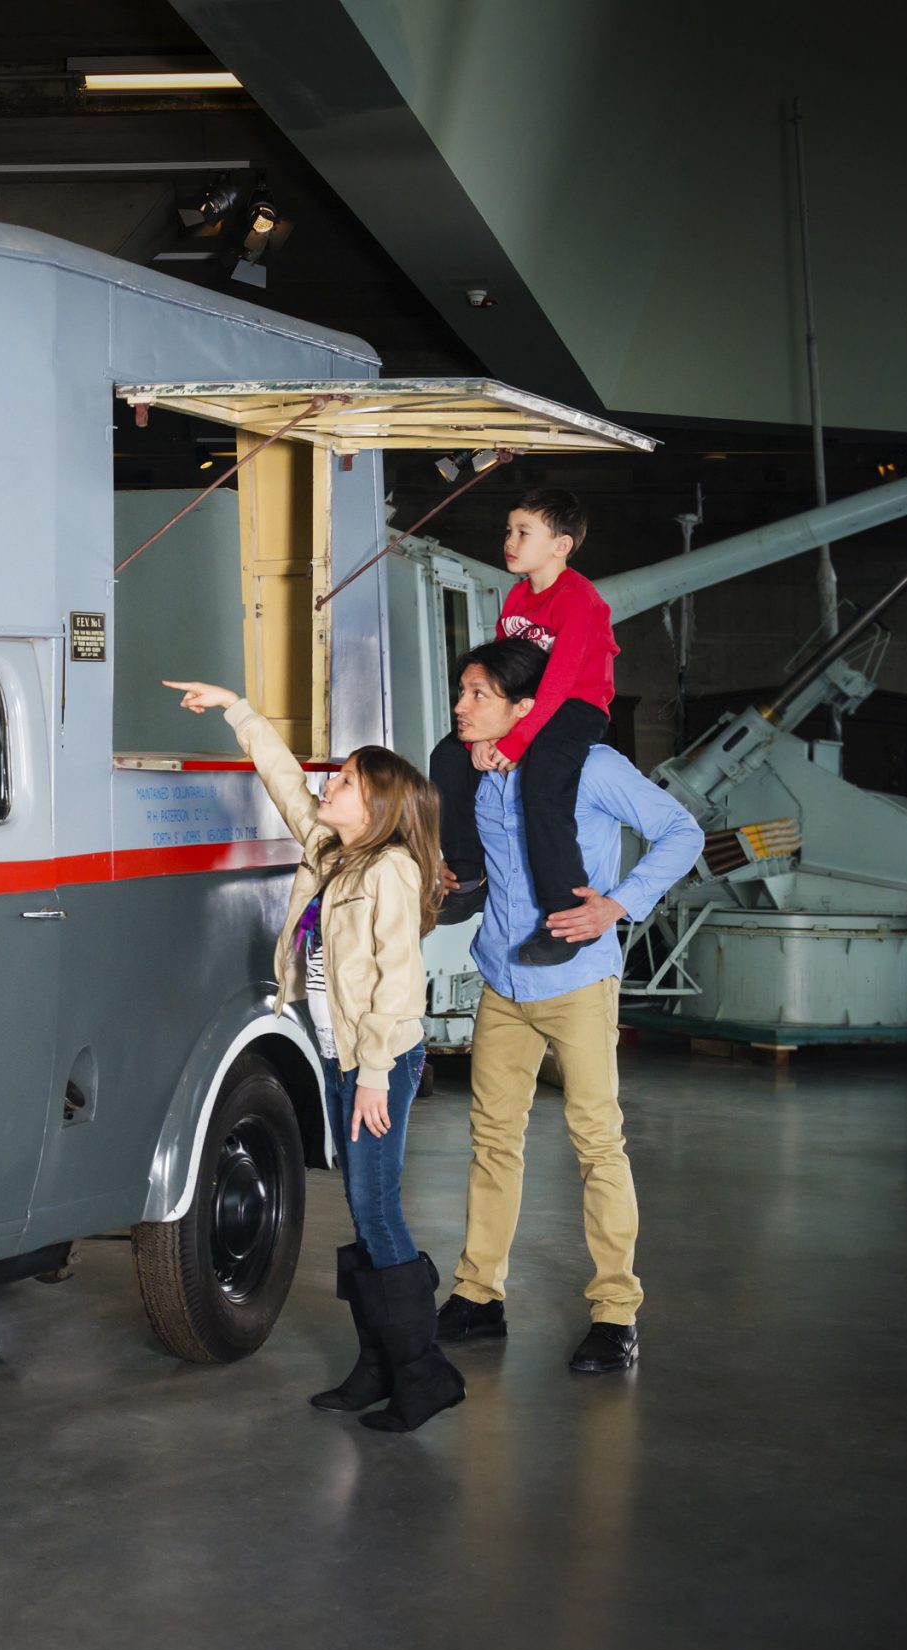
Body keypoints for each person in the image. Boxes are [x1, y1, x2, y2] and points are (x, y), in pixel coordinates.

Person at [164, 678, 464, 1433]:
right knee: (366, 1213)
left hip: (380, 1060)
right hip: (341, 1057)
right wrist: (237, 709)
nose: (332, 785)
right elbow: (287, 781)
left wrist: (370, 1078)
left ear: (379, 807)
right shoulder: (333, 851)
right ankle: (377, 1367)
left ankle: (422, 1373)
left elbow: (400, 986)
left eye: (350, 781)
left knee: (376, 1208)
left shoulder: (391, 871)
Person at [432, 638, 704, 1374]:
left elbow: (683, 831)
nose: (460, 706)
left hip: (579, 982)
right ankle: (478, 1295)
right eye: (461, 692)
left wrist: (618, 904)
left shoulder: (592, 767)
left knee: (596, 1144)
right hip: (502, 979)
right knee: (493, 1142)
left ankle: (616, 1314)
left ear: (524, 707)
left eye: (477, 694)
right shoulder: (471, 771)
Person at [432, 489, 619, 967]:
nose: (509, 542)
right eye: (508, 531)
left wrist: (512, 739)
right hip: (528, 704)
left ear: (561, 545)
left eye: (523, 532)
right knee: (448, 755)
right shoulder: (517, 596)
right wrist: (490, 730)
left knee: (541, 788)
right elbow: (503, 673)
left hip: (575, 705)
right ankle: (468, 876)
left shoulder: (578, 598)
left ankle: (567, 913)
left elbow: (558, 681)